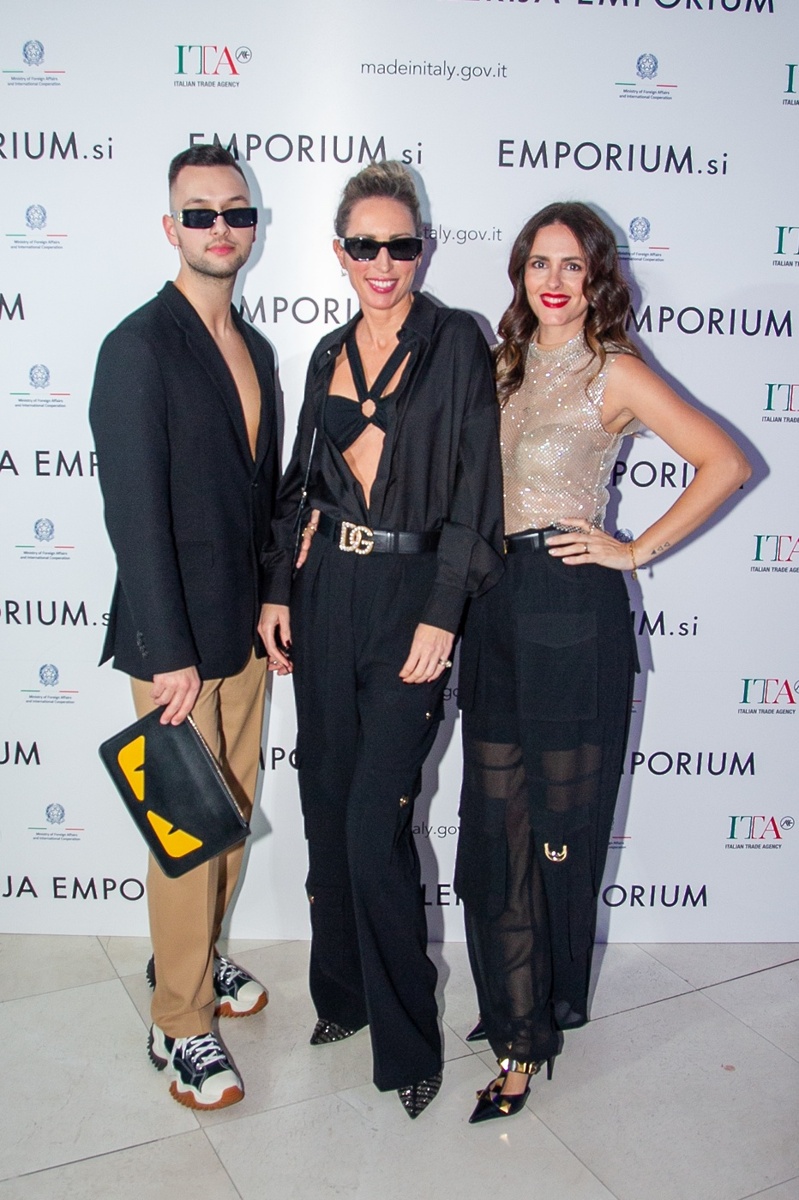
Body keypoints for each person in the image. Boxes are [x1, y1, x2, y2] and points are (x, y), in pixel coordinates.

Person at [454, 202, 751, 1123]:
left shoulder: (613, 369)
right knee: (492, 828)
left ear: (595, 280)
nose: (553, 281)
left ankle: (526, 1035)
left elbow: (724, 462)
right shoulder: (499, 363)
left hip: (571, 612)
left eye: (571, 265)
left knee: (557, 831)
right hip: (491, 607)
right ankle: (513, 1006)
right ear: (519, 273)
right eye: (538, 263)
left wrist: (632, 549)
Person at [259, 161, 504, 1118]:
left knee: (375, 824)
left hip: (411, 595)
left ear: (422, 250)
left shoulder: (457, 342)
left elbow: (476, 489)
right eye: (365, 244)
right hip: (327, 592)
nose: (383, 261)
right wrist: (278, 587)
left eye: (400, 244)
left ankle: (409, 1044)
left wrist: (444, 610)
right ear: (339, 251)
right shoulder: (326, 350)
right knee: (325, 805)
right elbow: (302, 481)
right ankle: (344, 996)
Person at [90, 144, 278, 1110]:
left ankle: (197, 956)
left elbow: (266, 496)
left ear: (253, 225)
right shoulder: (137, 347)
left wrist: (276, 599)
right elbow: (133, 514)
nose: (219, 229)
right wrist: (167, 653)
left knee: (230, 817)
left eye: (235, 212)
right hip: (175, 649)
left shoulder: (258, 349)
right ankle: (179, 1021)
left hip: (243, 632)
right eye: (198, 214)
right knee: (189, 835)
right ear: (172, 229)